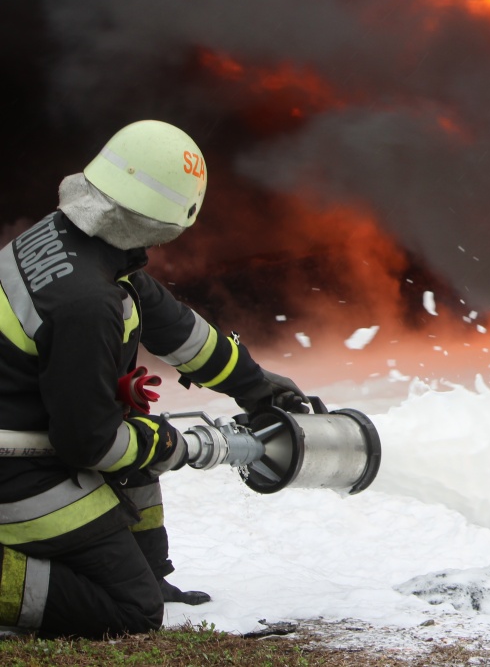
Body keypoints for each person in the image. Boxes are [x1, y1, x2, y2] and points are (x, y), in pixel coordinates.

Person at [0, 120, 309, 637]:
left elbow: (175, 327)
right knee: (132, 612)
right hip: (18, 469)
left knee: (137, 449)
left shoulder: (71, 241)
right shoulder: (88, 303)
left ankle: (149, 572)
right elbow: (88, 443)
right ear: (170, 218)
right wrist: (167, 442)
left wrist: (256, 386)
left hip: (31, 437)